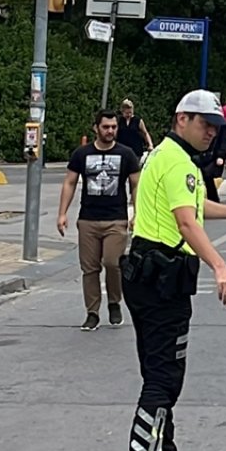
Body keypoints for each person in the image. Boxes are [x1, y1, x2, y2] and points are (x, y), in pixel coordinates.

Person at [116, 89, 226, 451]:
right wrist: (220, 265)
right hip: (162, 282)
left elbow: (193, 206)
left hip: (148, 276)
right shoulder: (179, 162)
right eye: (205, 124)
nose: (211, 134)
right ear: (181, 119)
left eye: (216, 128)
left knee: (159, 375)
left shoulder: (165, 155)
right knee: (164, 380)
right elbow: (186, 222)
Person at [57, 109, 142, 331]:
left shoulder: (126, 154)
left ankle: (114, 303)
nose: (110, 131)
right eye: (106, 127)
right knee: (90, 269)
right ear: (96, 128)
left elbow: (136, 185)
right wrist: (62, 213)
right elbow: (69, 183)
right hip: (88, 219)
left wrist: (137, 212)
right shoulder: (81, 154)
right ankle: (92, 312)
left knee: (112, 263)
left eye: (114, 127)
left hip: (116, 219)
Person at [118, 99, 155, 163]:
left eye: (130, 112)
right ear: (122, 111)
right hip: (122, 149)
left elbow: (145, 133)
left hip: (136, 150)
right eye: (127, 113)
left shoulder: (138, 121)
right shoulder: (119, 120)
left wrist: (150, 145)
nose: (129, 115)